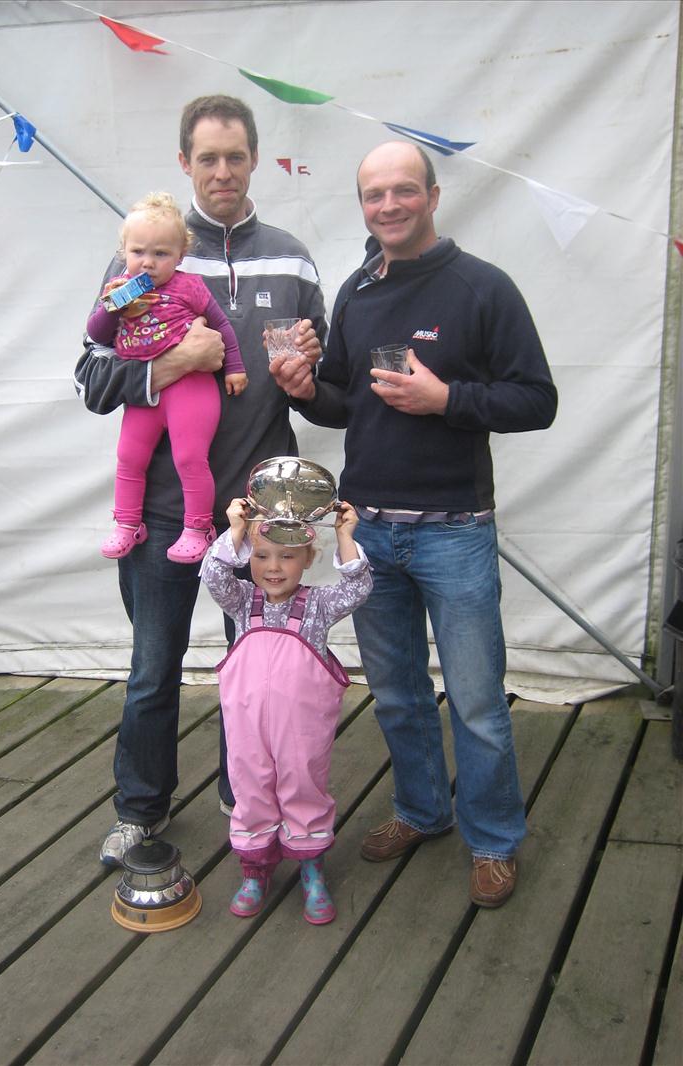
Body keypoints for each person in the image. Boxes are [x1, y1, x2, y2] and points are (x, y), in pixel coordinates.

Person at [271, 140, 558, 908]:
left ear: (433, 196)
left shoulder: (482, 288)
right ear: (362, 205)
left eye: (404, 191)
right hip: (367, 531)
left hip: (454, 530)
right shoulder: (359, 290)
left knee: (475, 700)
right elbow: (342, 399)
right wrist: (302, 390)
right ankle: (422, 811)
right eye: (374, 195)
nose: (388, 206)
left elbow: (538, 400)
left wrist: (449, 400)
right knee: (396, 693)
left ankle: (493, 839)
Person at [74, 96, 328, 865]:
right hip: (160, 513)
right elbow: (90, 375)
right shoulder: (143, 256)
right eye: (207, 158)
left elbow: (327, 378)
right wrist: (170, 365)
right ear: (185, 163)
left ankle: (243, 794)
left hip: (259, 513)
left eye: (236, 156)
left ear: (254, 160)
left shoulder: (290, 256)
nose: (222, 171)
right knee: (154, 668)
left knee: (254, 667)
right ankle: (140, 810)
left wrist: (312, 365)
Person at [201, 496, 372, 923]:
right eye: (261, 555)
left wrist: (346, 536)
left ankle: (312, 868)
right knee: (251, 786)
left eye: (286, 556)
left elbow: (358, 588)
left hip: (301, 732)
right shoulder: (241, 601)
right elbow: (213, 573)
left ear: (309, 558)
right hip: (247, 730)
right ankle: (254, 869)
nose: (273, 567)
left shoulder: (318, 606)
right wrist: (236, 530)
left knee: (303, 786)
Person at [88, 192, 248, 564]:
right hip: (145, 394)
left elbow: (222, 325)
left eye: (161, 254)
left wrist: (235, 367)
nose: (147, 263)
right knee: (128, 456)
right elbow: (96, 334)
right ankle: (127, 523)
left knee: (190, 456)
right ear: (124, 251)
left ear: (179, 255)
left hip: (191, 388)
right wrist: (112, 307)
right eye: (138, 252)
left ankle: (198, 526)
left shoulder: (188, 286)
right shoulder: (122, 287)